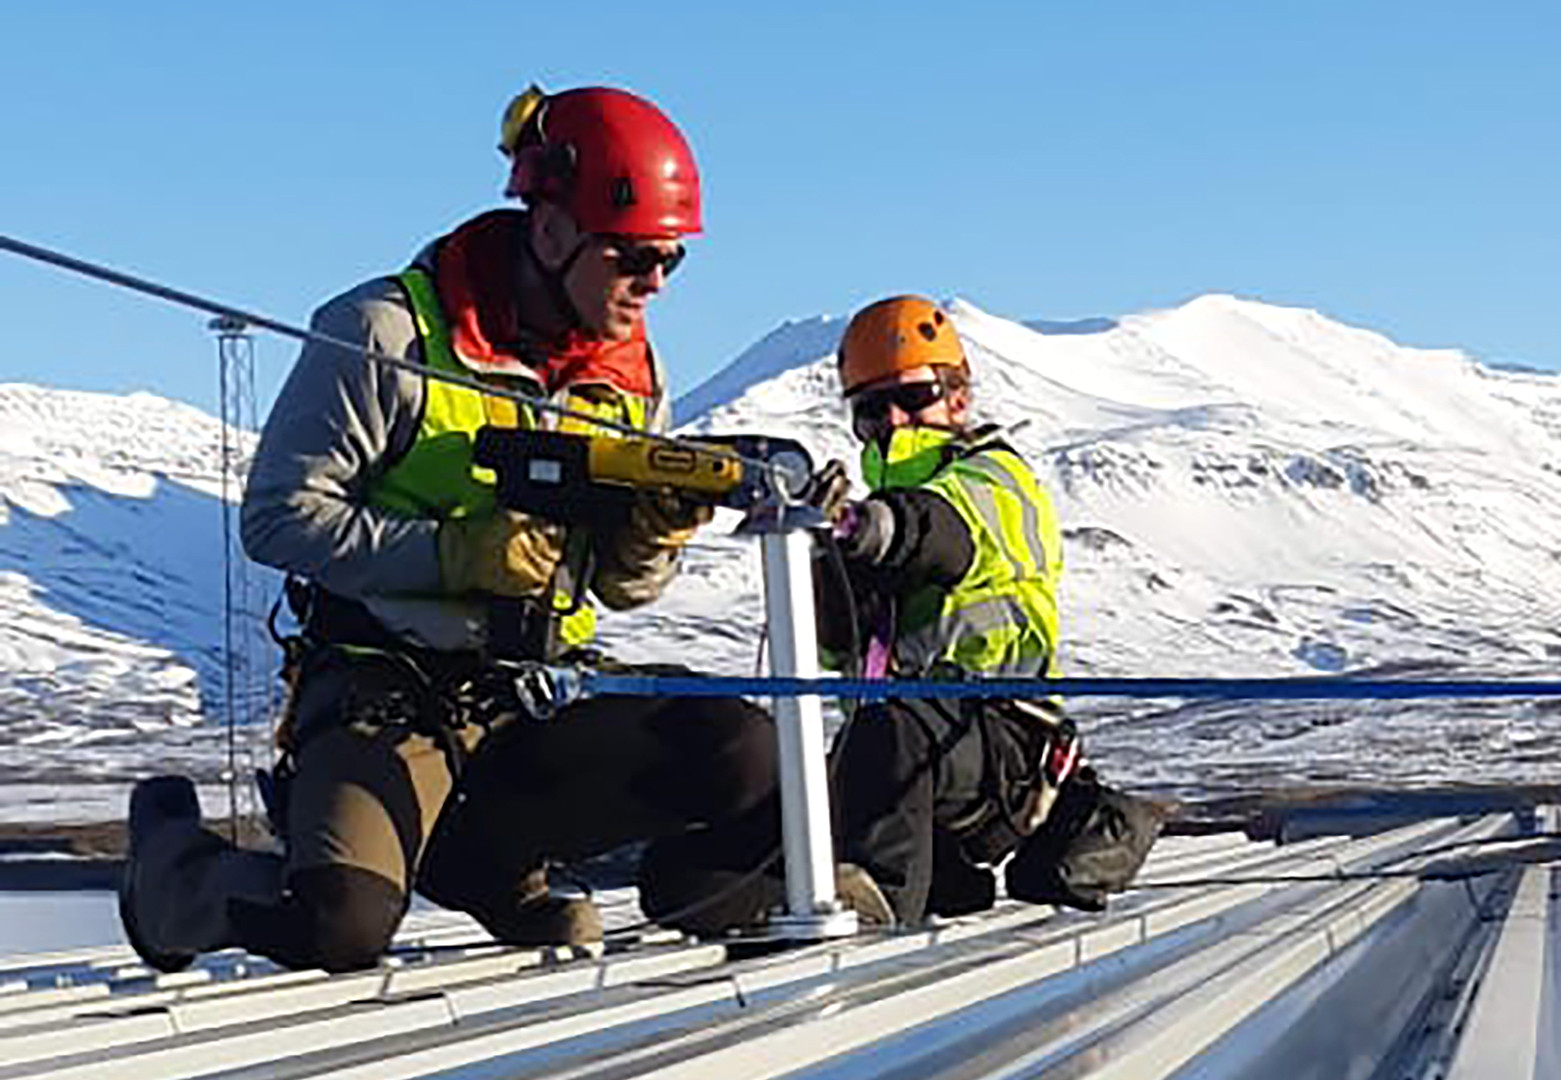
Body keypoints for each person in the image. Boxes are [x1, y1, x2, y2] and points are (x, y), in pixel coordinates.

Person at [118, 85, 780, 973]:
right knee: (337, 927)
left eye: (671, 260)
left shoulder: (631, 375)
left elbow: (619, 590)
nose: (654, 282)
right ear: (550, 232)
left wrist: (648, 539)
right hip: (383, 689)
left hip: (533, 694)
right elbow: (276, 520)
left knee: (739, 747)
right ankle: (171, 872)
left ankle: (490, 864)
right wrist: (454, 557)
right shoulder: (380, 333)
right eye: (633, 257)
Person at [639, 296, 1162, 932]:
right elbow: (841, 646)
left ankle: (881, 906)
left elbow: (936, 532)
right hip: (893, 773)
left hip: (999, 750)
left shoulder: (995, 482)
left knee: (891, 727)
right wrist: (826, 563)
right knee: (685, 874)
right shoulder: (862, 521)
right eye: (870, 408)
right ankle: (924, 879)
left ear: (959, 399)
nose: (893, 419)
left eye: (913, 397)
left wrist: (855, 527)